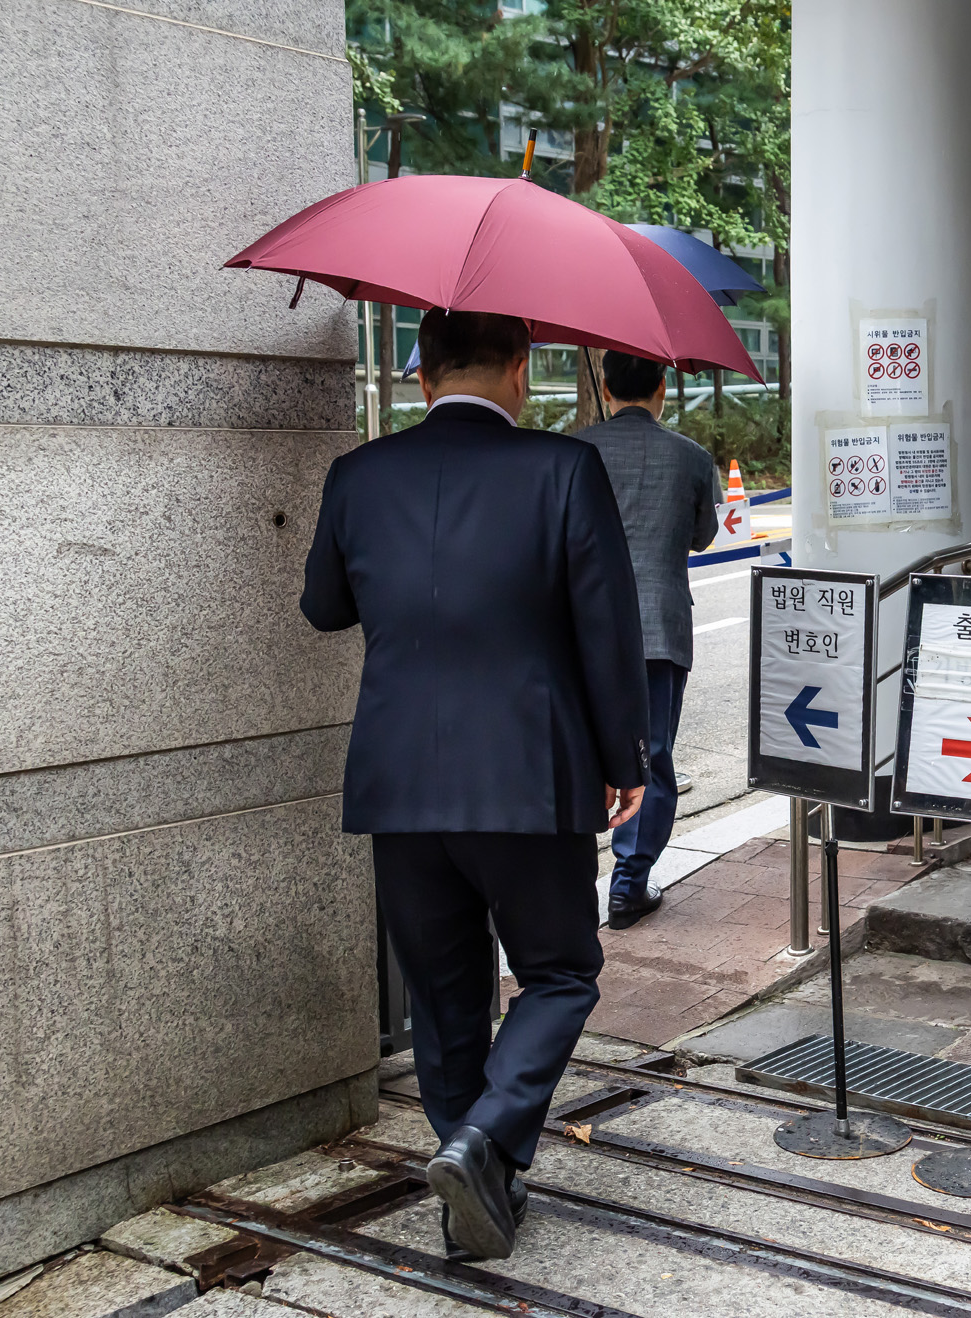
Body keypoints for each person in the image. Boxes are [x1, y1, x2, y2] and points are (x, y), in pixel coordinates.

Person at [300, 308, 650, 1263]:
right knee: (560, 970)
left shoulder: (358, 475)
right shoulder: (563, 470)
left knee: (443, 997)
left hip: (398, 781)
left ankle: (473, 1185)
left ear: (422, 377)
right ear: (519, 369)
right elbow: (607, 632)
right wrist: (629, 762)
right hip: (528, 779)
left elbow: (323, 606)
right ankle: (482, 1143)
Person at [575, 350, 723, 929]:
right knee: (651, 755)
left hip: (585, 629)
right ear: (662, 387)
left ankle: (573, 877)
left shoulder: (577, 452)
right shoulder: (692, 459)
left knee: (585, 748)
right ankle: (628, 884)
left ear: (605, 387)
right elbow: (704, 536)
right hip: (660, 629)